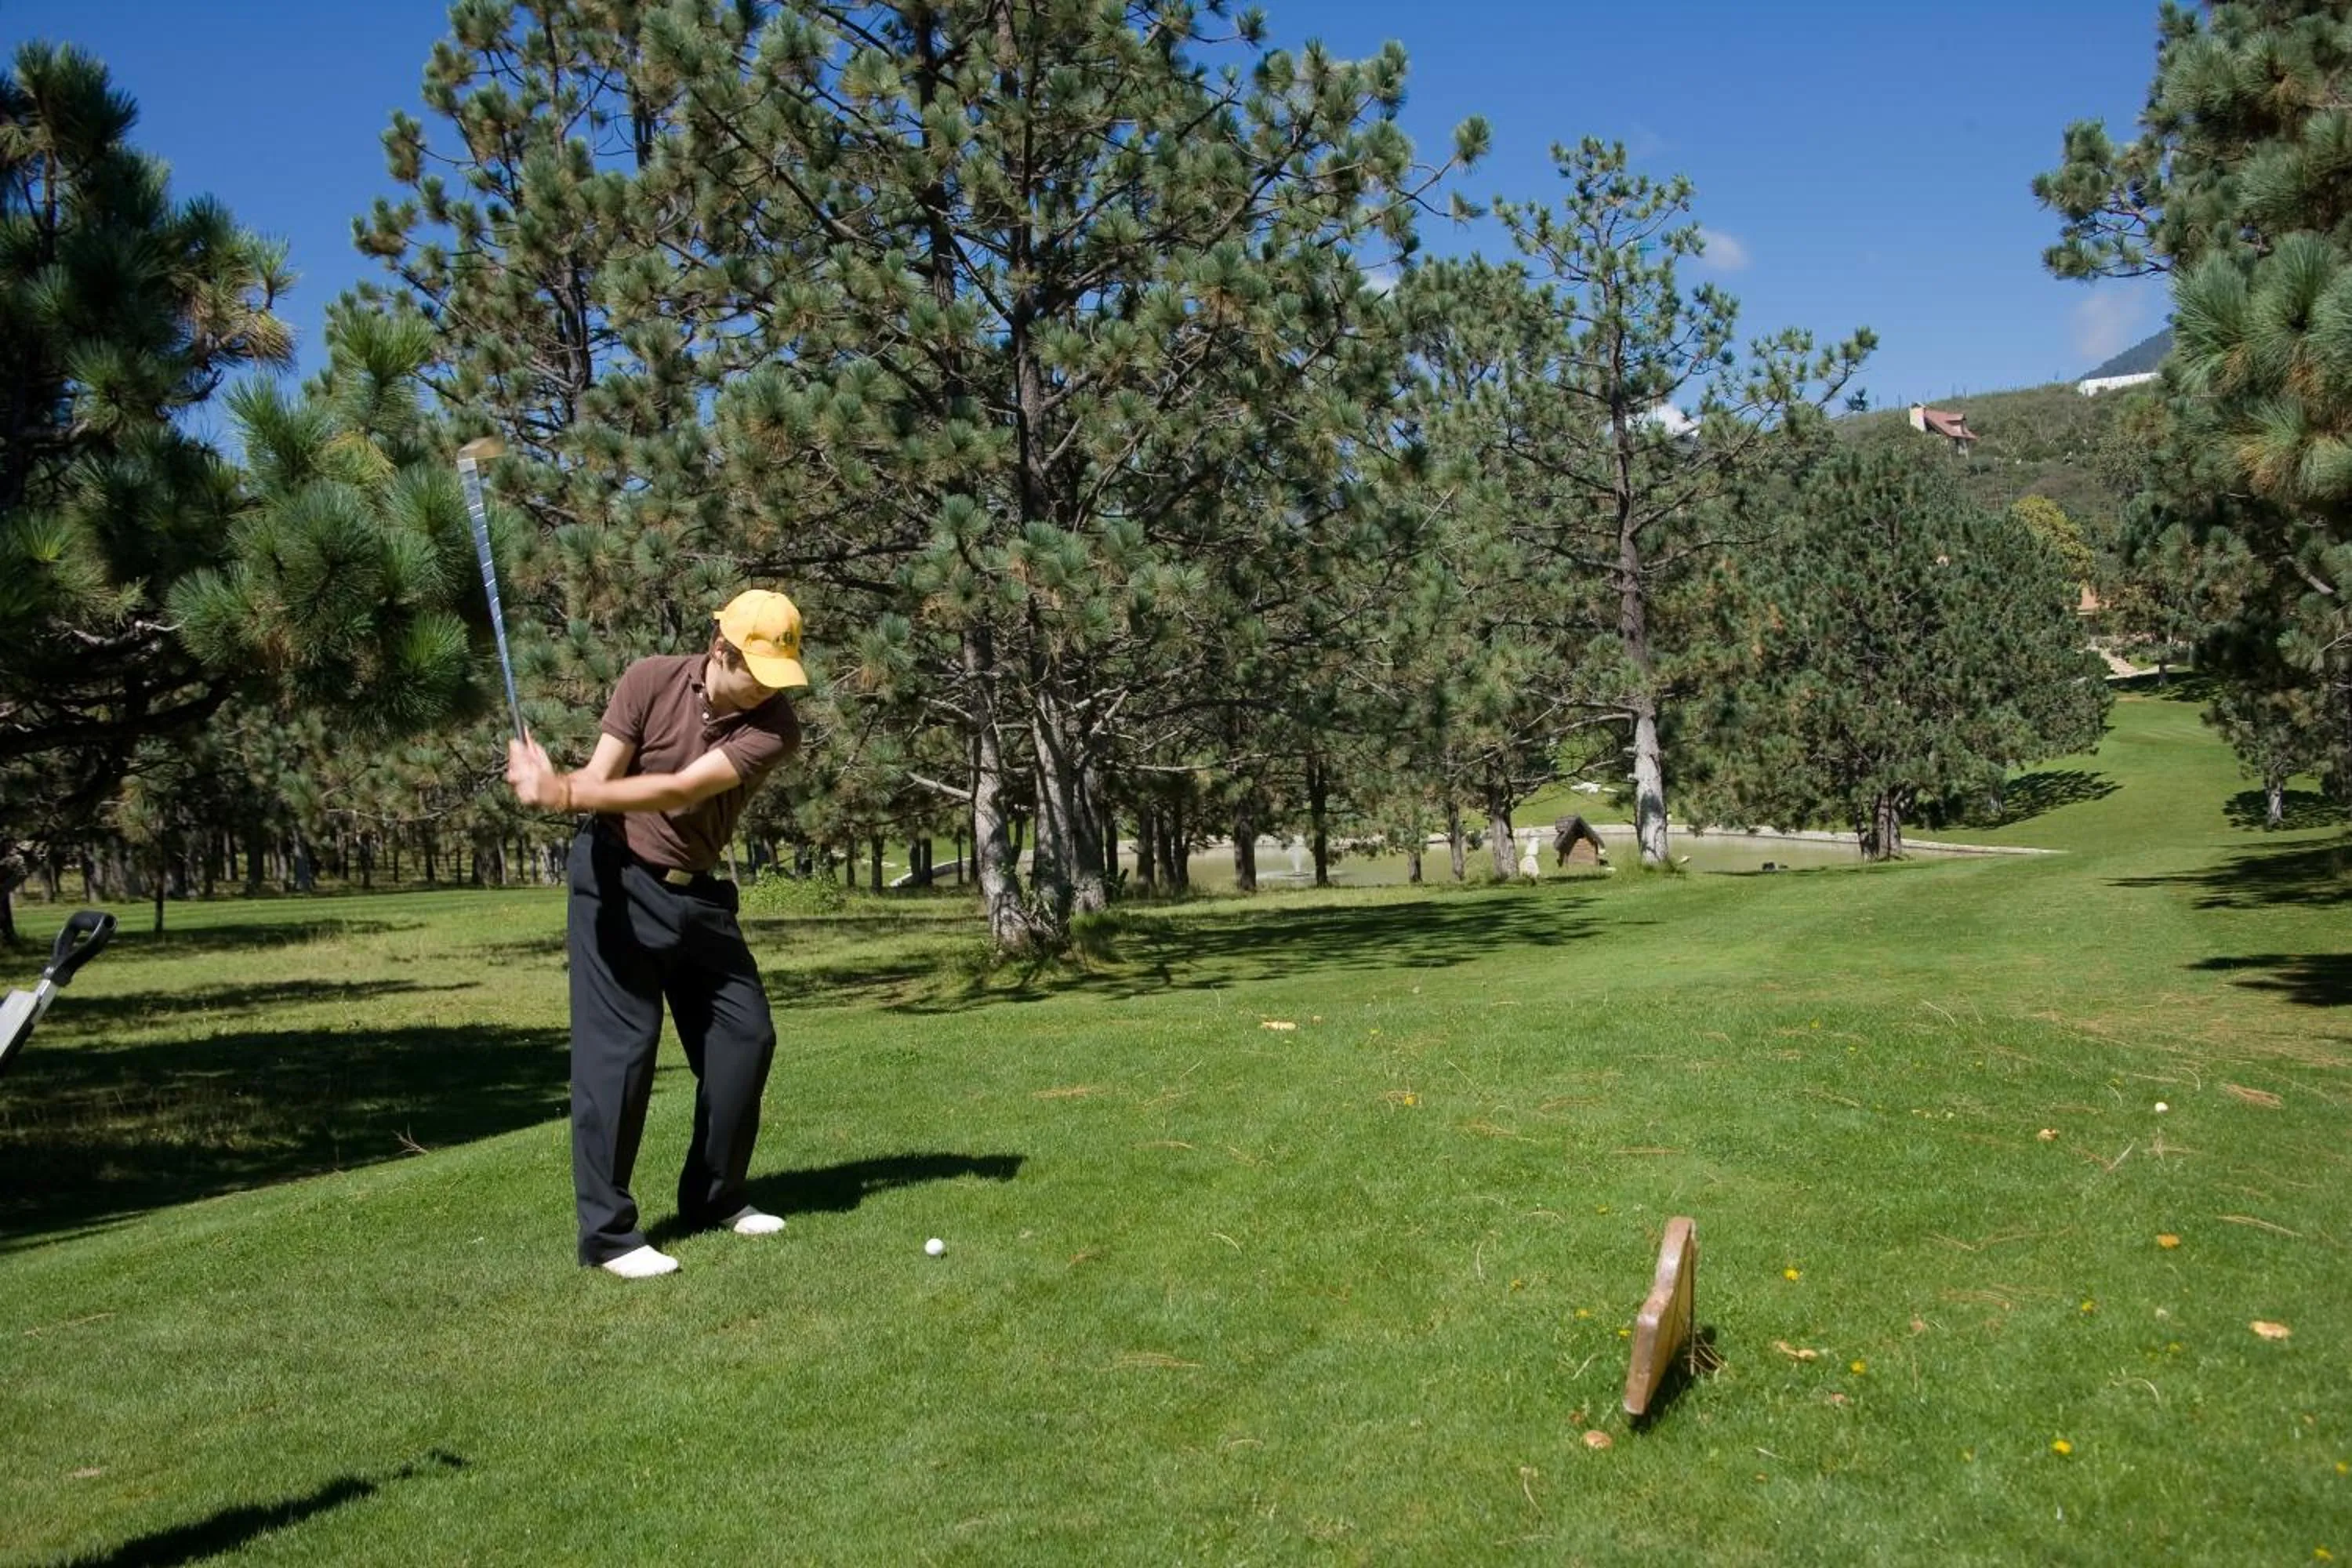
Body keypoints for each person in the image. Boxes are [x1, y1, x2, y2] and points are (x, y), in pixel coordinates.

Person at [506, 588, 808, 1279]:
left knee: (746, 1036)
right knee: (622, 1052)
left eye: (778, 679)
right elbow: (603, 777)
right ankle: (609, 1237)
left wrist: (567, 792)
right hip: (615, 878)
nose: (769, 692)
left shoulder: (775, 727)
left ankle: (714, 1197)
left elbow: (681, 790)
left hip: (697, 895)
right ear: (721, 651)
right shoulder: (648, 679)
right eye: (758, 674)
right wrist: (557, 783)